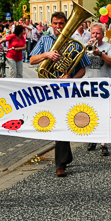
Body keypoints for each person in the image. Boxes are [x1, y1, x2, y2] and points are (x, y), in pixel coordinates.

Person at [29, 11, 91, 177]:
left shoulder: (75, 44)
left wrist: (70, 77)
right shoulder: (45, 40)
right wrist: (46, 54)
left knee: (62, 122)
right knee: (57, 123)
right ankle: (63, 159)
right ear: (51, 24)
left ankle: (61, 163)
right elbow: (32, 59)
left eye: (61, 24)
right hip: (48, 88)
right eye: (55, 23)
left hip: (66, 89)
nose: (58, 27)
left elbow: (83, 69)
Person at [83, 22, 111, 156]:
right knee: (90, 113)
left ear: (103, 35)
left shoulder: (109, 47)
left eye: (98, 33)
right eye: (93, 33)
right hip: (88, 84)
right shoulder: (85, 46)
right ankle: (93, 139)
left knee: (103, 114)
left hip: (104, 85)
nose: (95, 36)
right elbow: (81, 66)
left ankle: (104, 143)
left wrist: (100, 54)